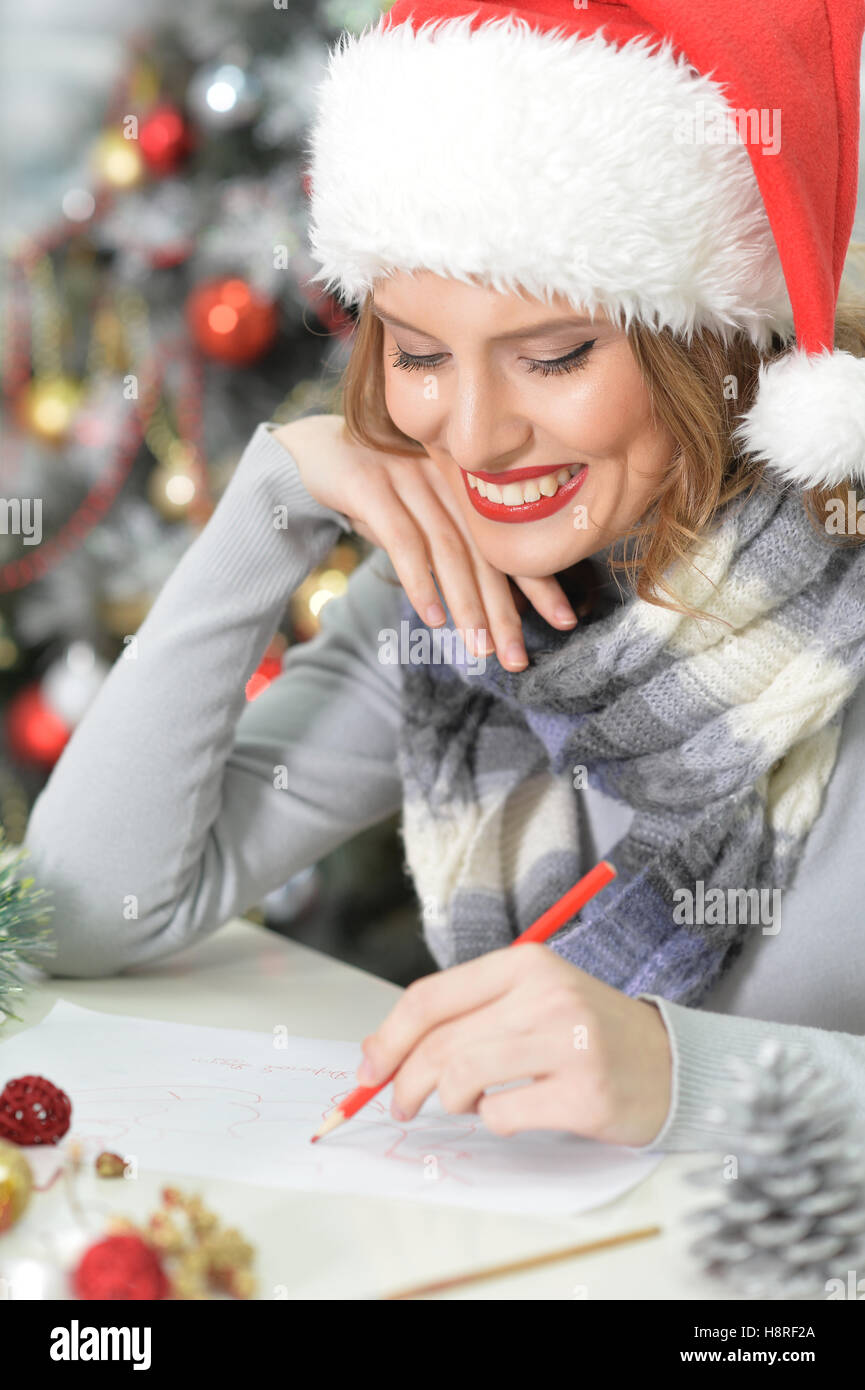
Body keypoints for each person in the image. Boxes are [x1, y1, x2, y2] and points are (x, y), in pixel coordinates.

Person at [21, 0, 865, 1152]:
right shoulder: (453, 598)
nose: (470, 437)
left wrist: (679, 1078)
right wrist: (273, 500)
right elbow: (82, 911)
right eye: (417, 354)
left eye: (555, 356)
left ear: (715, 340)